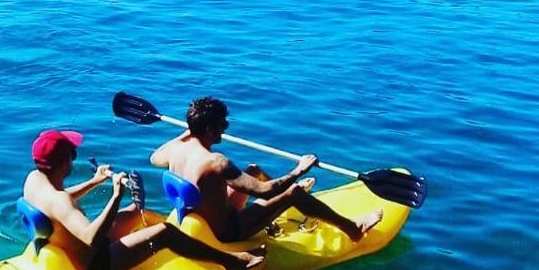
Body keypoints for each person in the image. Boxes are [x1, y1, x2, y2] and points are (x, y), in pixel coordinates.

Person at [22, 129, 265, 270]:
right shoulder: (60, 200)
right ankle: (232, 261)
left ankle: (188, 243)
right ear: (65, 161)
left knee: (135, 213)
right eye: (72, 154)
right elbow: (89, 237)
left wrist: (95, 181)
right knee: (165, 232)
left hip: (70, 250)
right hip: (95, 261)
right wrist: (115, 196)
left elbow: (57, 205)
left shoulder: (35, 180)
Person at [150, 97, 383, 243]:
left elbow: (154, 158)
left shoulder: (175, 149)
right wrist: (298, 170)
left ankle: (285, 208)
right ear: (210, 128)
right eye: (223, 124)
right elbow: (264, 191)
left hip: (203, 215)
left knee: (252, 171)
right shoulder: (216, 162)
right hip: (228, 230)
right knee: (293, 193)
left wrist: (189, 131)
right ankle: (353, 228)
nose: (226, 128)